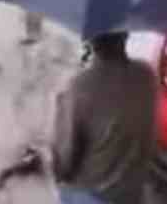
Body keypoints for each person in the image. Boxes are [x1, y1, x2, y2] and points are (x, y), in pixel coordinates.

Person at [48, 31, 158, 204]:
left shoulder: (81, 86)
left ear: (90, 40)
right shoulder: (146, 76)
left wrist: (62, 107)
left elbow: (63, 165)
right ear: (125, 36)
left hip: (90, 196)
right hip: (131, 196)